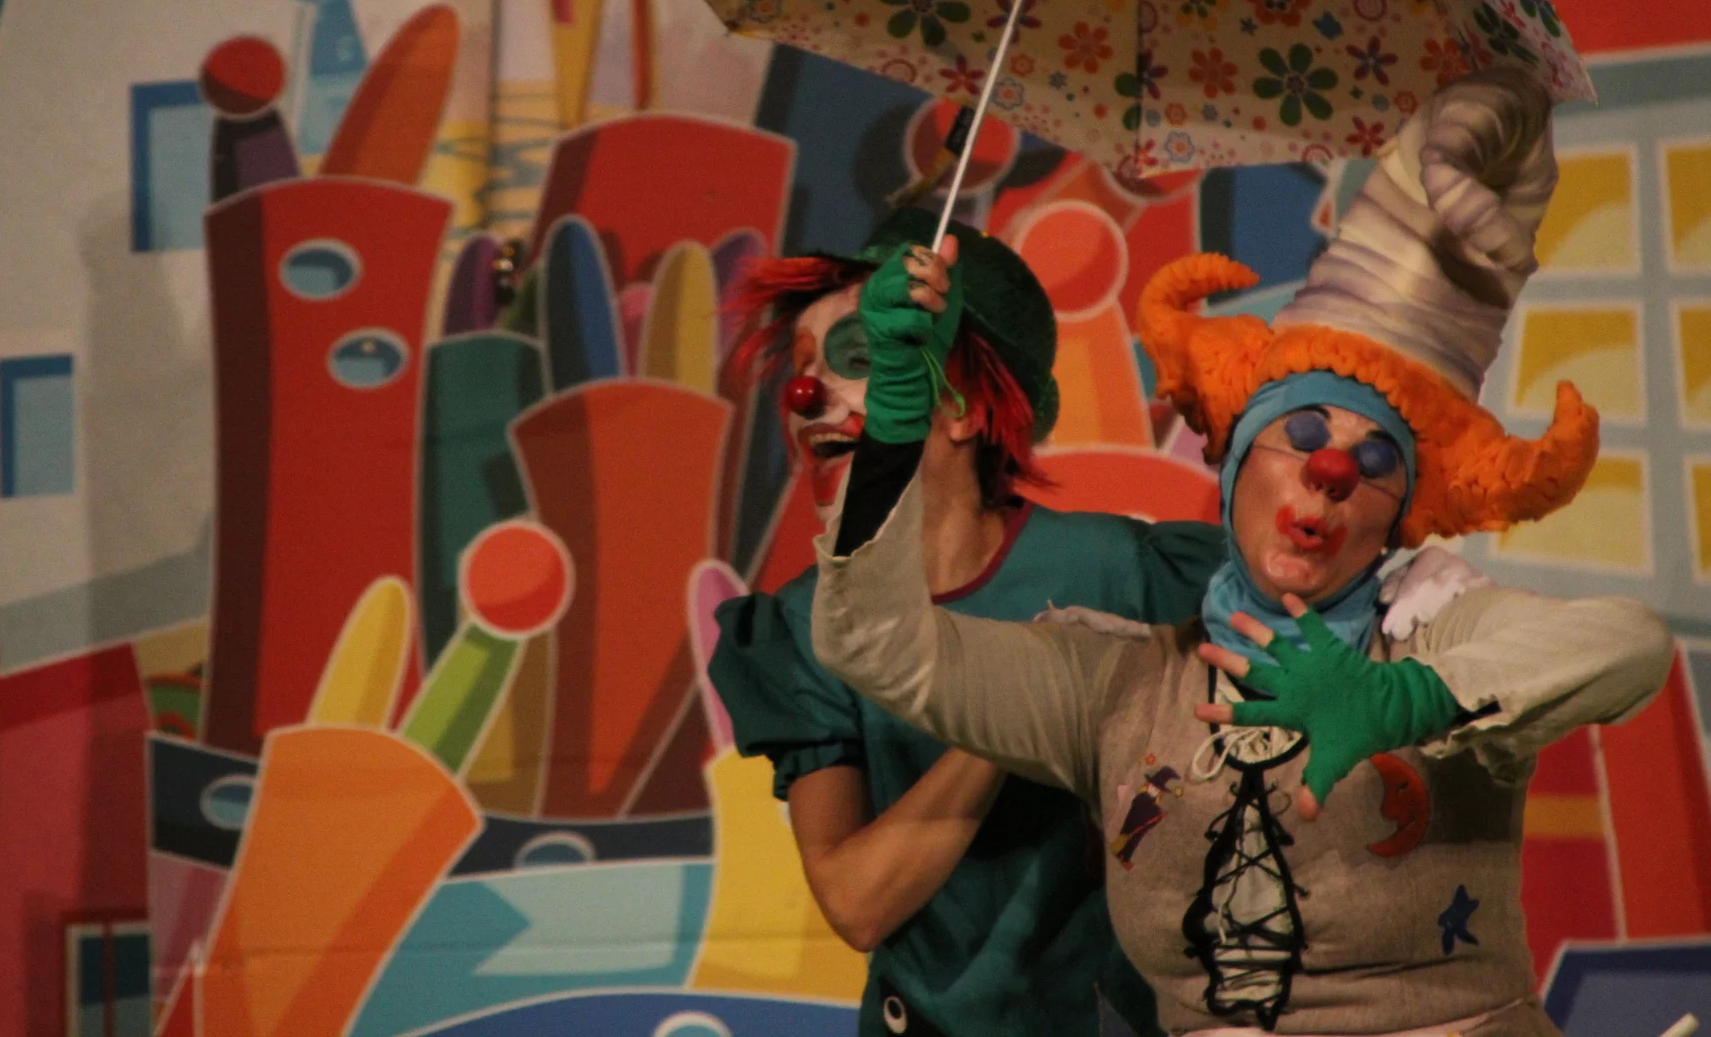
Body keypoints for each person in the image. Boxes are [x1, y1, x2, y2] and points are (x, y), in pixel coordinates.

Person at [807, 69, 1675, 1034]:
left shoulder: (1431, 632)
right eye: (1302, 432)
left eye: (1375, 458)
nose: (1333, 471)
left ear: (1395, 512)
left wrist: (1408, 698)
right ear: (1233, 463)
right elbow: (877, 646)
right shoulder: (1117, 686)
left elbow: (1630, 645)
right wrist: (894, 426)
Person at [708, 208, 1223, 1037]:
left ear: (965, 408)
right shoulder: (810, 625)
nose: (806, 397)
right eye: (801, 370)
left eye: (859, 359)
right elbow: (856, 901)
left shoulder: (1119, 571)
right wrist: (1025, 693)